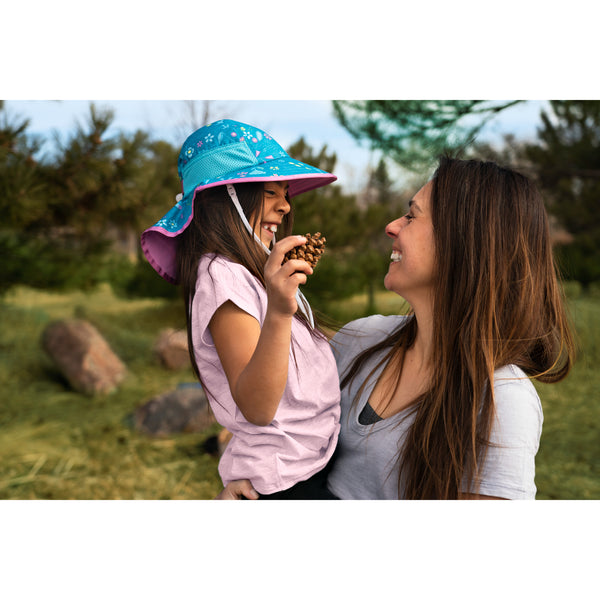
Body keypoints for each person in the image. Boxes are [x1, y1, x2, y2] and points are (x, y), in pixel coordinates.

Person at [218, 156, 576, 500]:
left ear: (464, 241)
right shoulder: (358, 340)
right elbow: (283, 433)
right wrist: (251, 489)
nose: (392, 225)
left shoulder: (500, 400)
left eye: (411, 215)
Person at [141, 119, 340, 499]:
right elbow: (258, 405)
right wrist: (280, 313)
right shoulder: (222, 277)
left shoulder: (250, 275)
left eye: (286, 193)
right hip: (287, 481)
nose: (285, 206)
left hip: (308, 462)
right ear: (225, 197)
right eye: (270, 191)